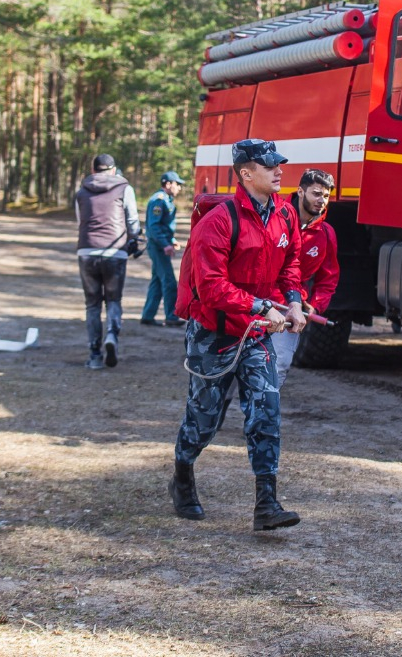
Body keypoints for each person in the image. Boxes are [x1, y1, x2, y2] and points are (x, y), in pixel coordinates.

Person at [168, 138, 307, 530]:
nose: (280, 170)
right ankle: (182, 475)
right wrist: (262, 307)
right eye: (269, 165)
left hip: (256, 333)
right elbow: (210, 286)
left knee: (266, 409)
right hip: (214, 334)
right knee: (205, 418)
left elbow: (290, 264)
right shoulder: (218, 221)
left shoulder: (285, 214)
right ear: (246, 173)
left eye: (279, 163)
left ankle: (267, 504)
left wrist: (293, 301)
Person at [270, 168, 340, 384]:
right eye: (316, 194)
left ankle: (264, 417)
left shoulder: (326, 234)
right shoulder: (273, 218)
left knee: (278, 367)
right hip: (257, 305)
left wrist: (315, 306)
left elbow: (328, 278)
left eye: (326, 196)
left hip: (291, 311)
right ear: (300, 191)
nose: (322, 201)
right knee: (235, 369)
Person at [74, 153, 141, 370]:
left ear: (93, 171)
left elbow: (80, 222)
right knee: (113, 300)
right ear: (113, 170)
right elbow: (132, 220)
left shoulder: (81, 192)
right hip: (115, 252)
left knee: (92, 304)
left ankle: (94, 354)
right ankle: (112, 336)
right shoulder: (124, 188)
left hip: (87, 251)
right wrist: (134, 238)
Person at [141, 171, 186, 327]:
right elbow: (154, 226)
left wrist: (171, 240)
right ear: (168, 184)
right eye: (177, 184)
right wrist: (165, 244)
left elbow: (163, 226)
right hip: (158, 246)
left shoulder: (166, 199)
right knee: (169, 282)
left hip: (161, 244)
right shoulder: (159, 200)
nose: (179, 188)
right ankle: (171, 317)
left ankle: (148, 315)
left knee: (157, 281)